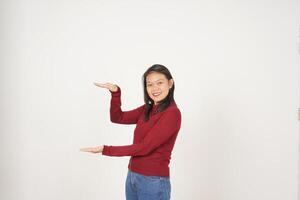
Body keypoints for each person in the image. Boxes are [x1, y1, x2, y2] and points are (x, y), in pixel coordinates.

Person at [80, 64, 182, 200]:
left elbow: (144, 147)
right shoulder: (148, 109)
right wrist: (116, 93)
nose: (154, 88)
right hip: (133, 176)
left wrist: (106, 149)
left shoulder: (172, 114)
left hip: (153, 181)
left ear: (170, 83)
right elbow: (118, 118)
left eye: (159, 83)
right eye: (149, 84)